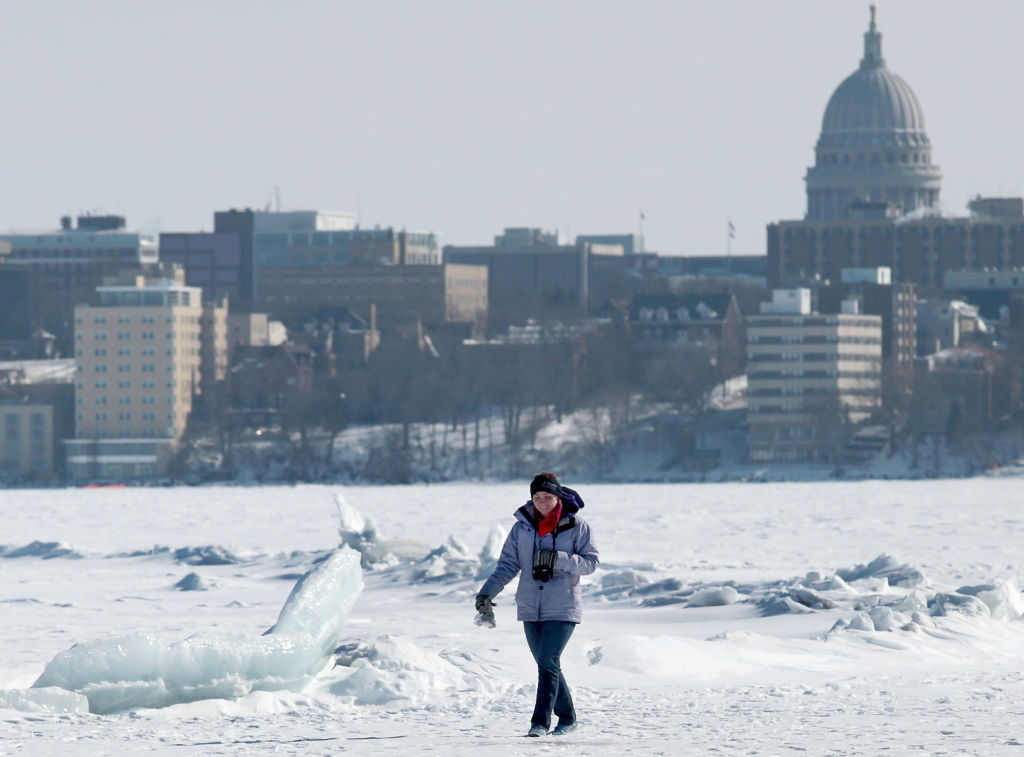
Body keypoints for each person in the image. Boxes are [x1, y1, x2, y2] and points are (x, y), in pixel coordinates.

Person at [475, 472, 599, 737]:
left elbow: (590, 563)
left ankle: (539, 724)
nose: (542, 501)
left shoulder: (576, 525)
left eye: (548, 496)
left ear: (558, 497)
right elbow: (507, 565)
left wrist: (558, 558)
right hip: (530, 605)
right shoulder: (522, 527)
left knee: (548, 661)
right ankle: (568, 718)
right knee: (547, 665)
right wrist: (486, 594)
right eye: (537, 496)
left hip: (563, 605)